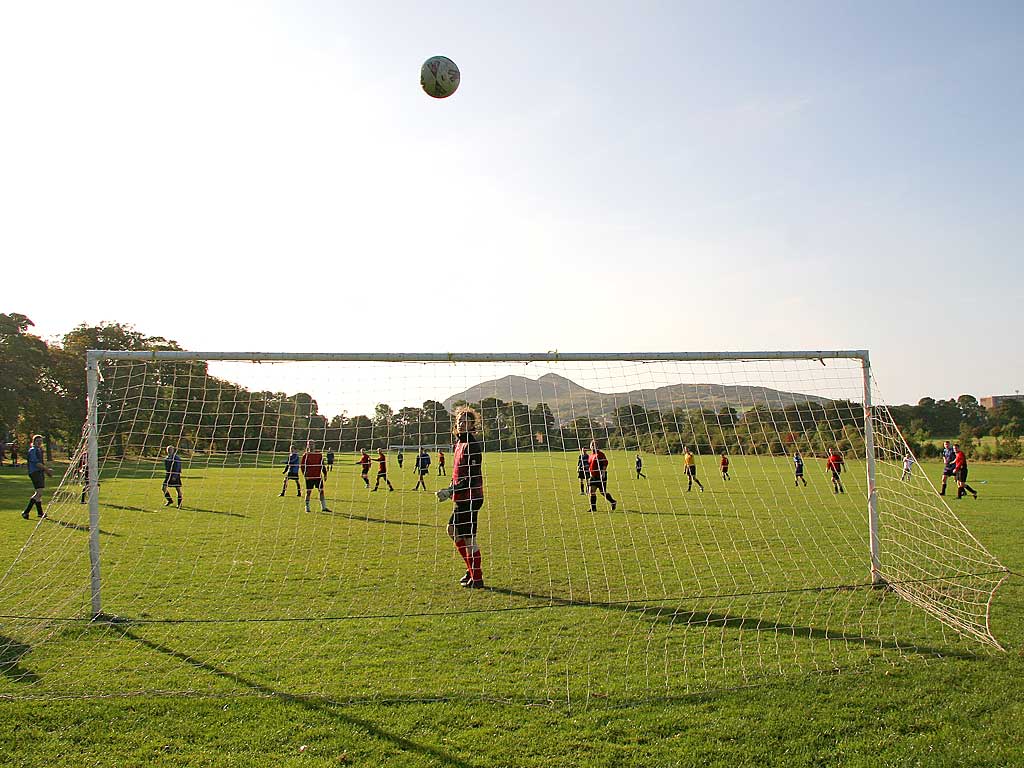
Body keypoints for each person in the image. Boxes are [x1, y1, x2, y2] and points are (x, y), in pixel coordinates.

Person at [436, 407, 485, 588]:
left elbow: (470, 478)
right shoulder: (459, 443)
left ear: (473, 424)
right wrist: (451, 488)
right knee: (455, 531)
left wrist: (449, 491)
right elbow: (458, 473)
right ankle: (471, 571)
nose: (462, 424)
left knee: (466, 537)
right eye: (459, 421)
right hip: (461, 496)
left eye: (466, 421)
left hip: (471, 497)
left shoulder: (472, 445)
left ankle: (477, 578)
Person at [22, 434, 53, 519]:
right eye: (37, 441)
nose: (39, 442)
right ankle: (26, 512)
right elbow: (37, 463)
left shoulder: (39, 450)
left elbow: (41, 463)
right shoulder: (33, 450)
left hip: (39, 473)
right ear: (33, 442)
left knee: (39, 494)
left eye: (40, 441)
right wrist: (47, 470)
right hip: (35, 472)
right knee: (39, 493)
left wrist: (46, 471)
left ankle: (40, 513)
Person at [587, 440, 617, 511]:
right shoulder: (591, 455)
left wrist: (603, 473)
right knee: (592, 491)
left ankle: (613, 502)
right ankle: (593, 508)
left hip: (600, 475)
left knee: (602, 492)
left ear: (596, 446)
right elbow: (590, 465)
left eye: (593, 445)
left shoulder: (600, 454)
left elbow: (605, 463)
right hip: (593, 476)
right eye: (591, 445)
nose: (592, 447)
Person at [301, 440, 330, 512]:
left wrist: (325, 473)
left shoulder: (319, 454)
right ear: (307, 446)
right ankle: (307, 507)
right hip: (309, 477)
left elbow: (322, 464)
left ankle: (324, 507)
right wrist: (305, 475)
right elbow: (302, 466)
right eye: (309, 444)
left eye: (312, 444)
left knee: (321, 491)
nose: (310, 445)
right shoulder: (305, 455)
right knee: (308, 492)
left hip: (318, 476)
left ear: (314, 445)